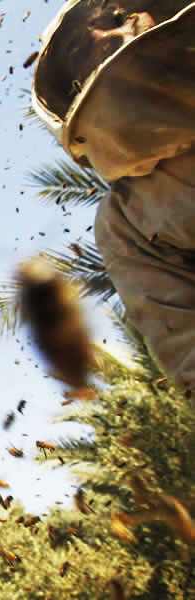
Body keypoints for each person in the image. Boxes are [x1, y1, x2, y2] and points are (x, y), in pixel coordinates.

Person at [32, 0, 195, 400]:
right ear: (75, 89)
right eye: (80, 49)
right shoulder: (127, 221)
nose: (108, 35)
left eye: (116, 18)